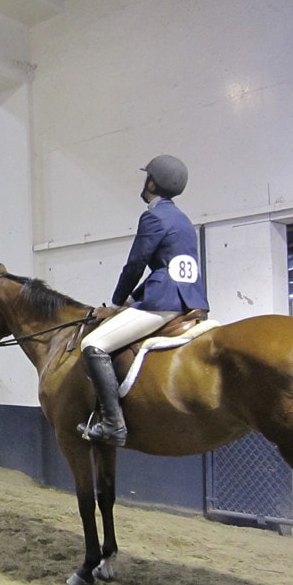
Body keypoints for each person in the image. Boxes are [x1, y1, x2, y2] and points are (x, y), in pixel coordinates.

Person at [78, 155, 209, 446]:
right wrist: (133, 300)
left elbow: (136, 264)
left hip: (165, 302)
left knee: (93, 344)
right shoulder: (183, 220)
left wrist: (115, 303)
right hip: (190, 299)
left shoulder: (154, 216)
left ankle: (113, 425)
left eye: (146, 177)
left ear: (152, 182)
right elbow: (165, 269)